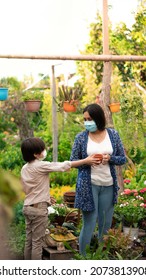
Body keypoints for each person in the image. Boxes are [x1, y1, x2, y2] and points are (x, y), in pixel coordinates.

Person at [20, 137, 99, 260]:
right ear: (35, 154)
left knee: (29, 241)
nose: (44, 151)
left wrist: (45, 197)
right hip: (38, 209)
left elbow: (26, 189)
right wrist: (86, 160)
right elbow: (63, 166)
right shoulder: (40, 165)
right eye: (42, 149)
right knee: (37, 243)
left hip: (27, 207)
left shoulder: (24, 168)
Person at [70, 103, 126, 255]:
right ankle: (83, 259)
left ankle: (101, 257)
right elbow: (72, 161)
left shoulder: (113, 135)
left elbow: (122, 159)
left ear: (98, 118)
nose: (87, 122)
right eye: (85, 119)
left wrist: (110, 158)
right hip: (88, 185)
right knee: (89, 222)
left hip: (108, 184)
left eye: (90, 119)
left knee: (105, 224)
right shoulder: (81, 138)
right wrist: (86, 161)